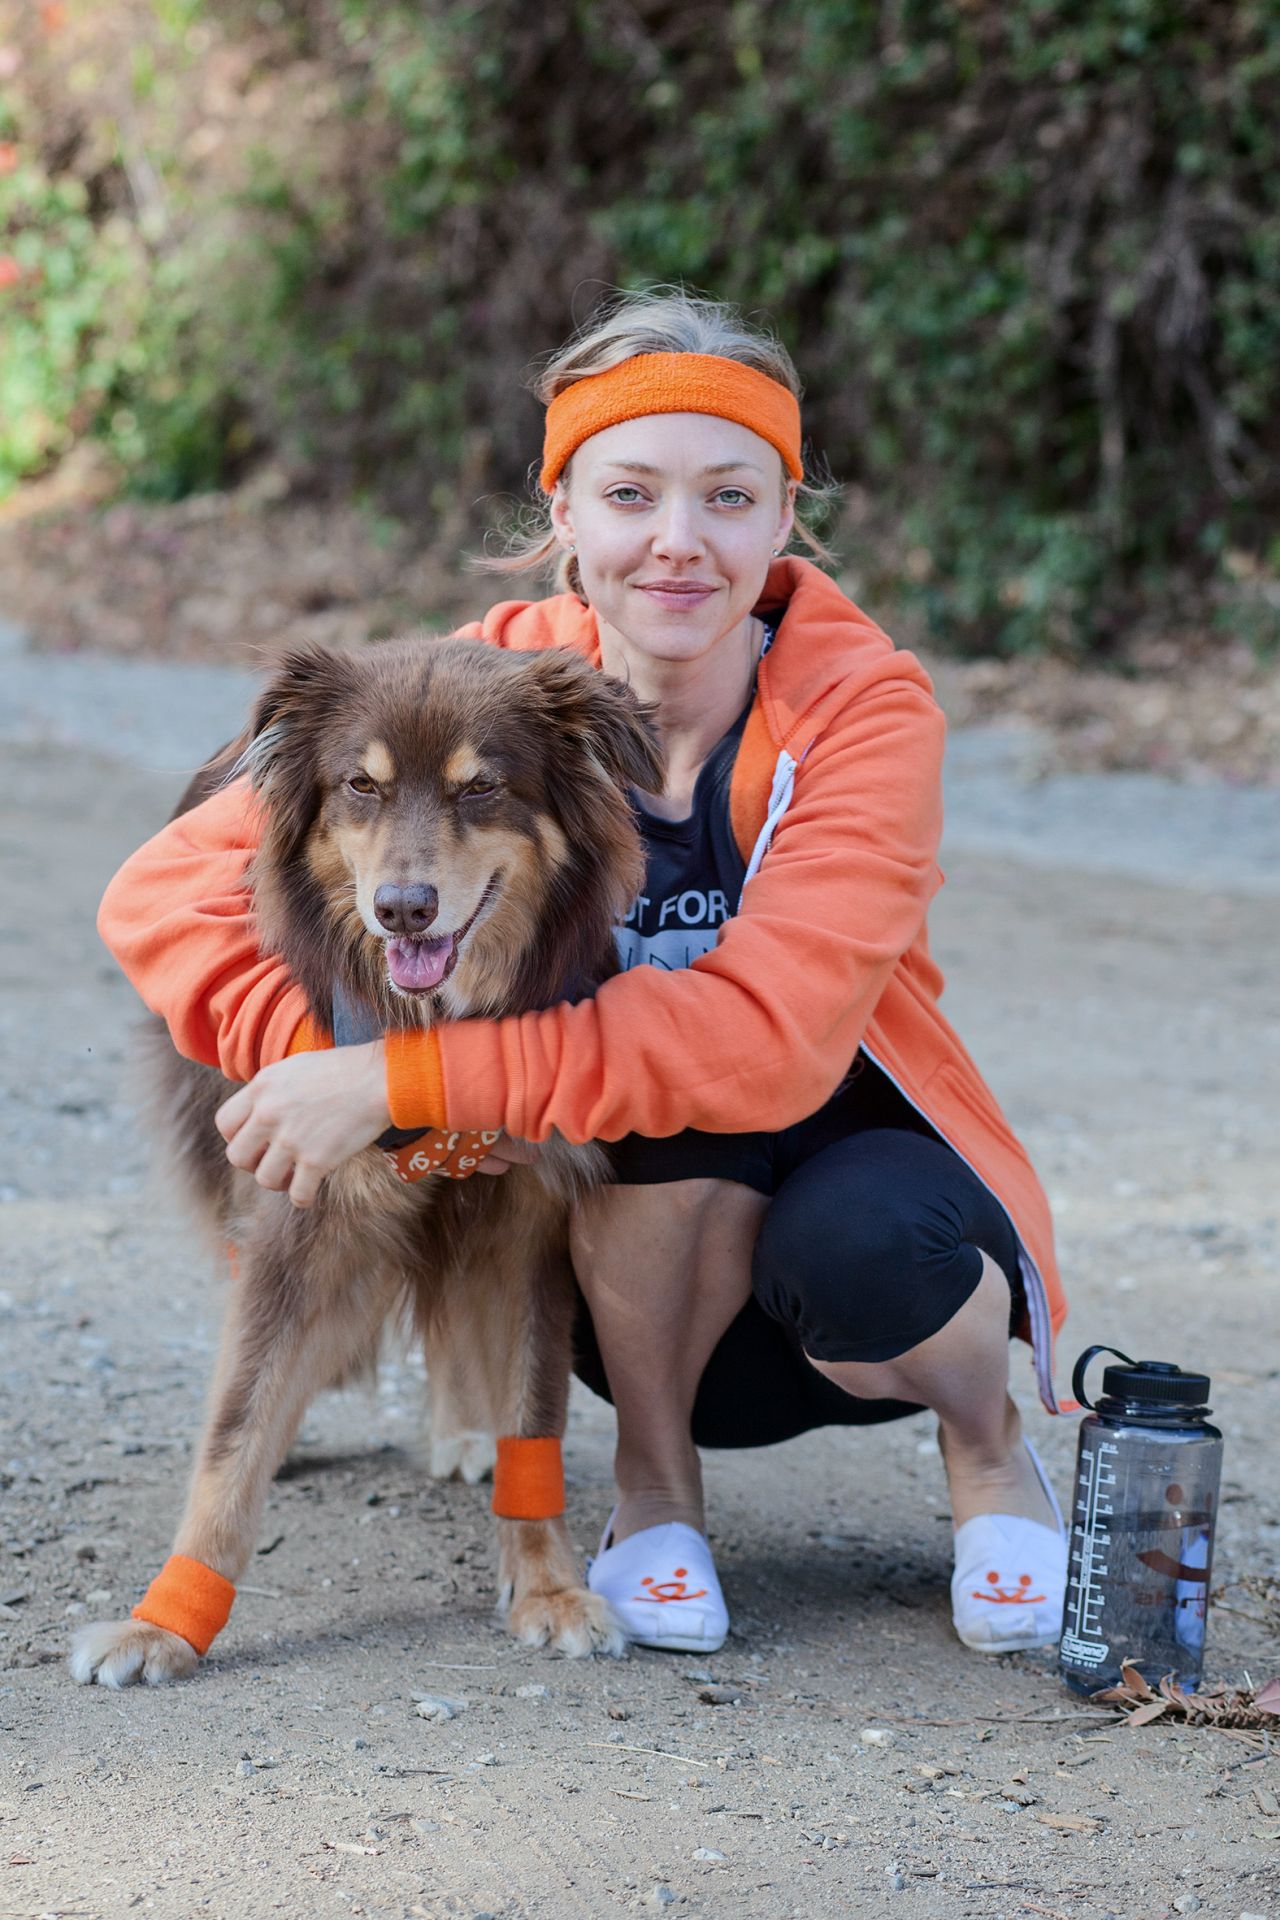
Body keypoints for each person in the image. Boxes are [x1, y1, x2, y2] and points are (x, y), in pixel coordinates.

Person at [97, 288, 1069, 1658]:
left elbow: (762, 1041)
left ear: (784, 516)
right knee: (605, 1170)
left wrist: (395, 1073)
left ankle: (988, 1449)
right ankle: (655, 1492)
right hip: (661, 1239)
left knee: (865, 1245)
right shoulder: (499, 683)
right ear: (567, 516)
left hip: (848, 1165)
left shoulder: (862, 712)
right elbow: (161, 889)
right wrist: (305, 1049)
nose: (678, 542)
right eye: (631, 494)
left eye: (729, 497)